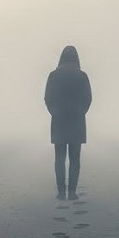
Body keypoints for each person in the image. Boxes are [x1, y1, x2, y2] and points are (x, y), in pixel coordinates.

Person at [44, 45, 92, 199]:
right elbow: (88, 98)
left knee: (59, 157)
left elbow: (47, 98)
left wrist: (55, 112)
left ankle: (60, 191)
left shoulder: (53, 75)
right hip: (77, 120)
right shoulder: (82, 76)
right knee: (75, 158)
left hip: (58, 120)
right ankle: (72, 192)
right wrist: (80, 112)